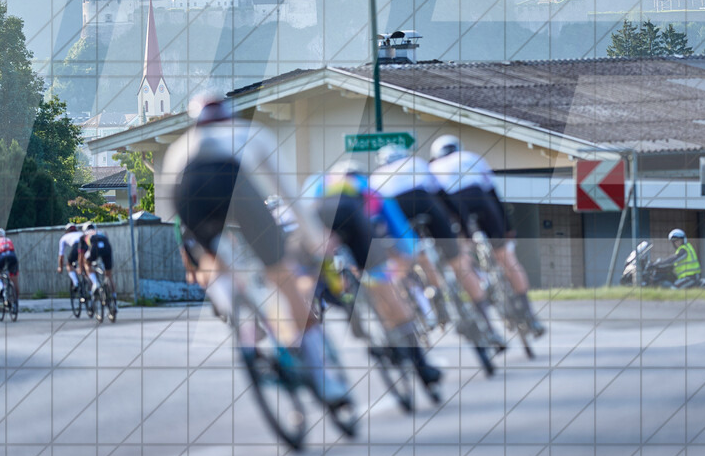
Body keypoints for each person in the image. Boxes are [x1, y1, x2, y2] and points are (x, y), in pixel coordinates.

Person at [164, 94, 350, 406]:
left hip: (187, 196)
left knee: (219, 269)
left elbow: (175, 209)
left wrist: (203, 260)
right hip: (229, 182)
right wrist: (315, 239)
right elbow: (288, 195)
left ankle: (235, 309)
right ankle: (324, 380)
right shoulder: (249, 131)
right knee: (284, 277)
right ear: (230, 115)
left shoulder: (180, 146)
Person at [305, 161, 442, 388]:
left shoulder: (319, 180)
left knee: (320, 271)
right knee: (382, 283)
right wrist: (403, 257)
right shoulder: (368, 188)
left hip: (316, 216)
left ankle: (345, 306)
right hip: (351, 214)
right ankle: (422, 367)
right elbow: (399, 231)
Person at [371, 144, 504, 348]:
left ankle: (429, 297)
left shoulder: (375, 178)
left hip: (398, 210)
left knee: (404, 262)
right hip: (426, 203)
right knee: (459, 263)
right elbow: (442, 195)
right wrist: (460, 224)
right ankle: (488, 325)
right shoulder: (417, 163)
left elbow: (381, 217)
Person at [429, 134, 544, 334]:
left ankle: (486, 322)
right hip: (482, 199)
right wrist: (508, 228)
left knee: (462, 257)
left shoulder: (432, 169)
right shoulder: (473, 158)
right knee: (506, 256)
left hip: (454, 204)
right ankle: (529, 315)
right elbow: (493, 194)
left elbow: (438, 206)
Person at [78, 222, 116, 299]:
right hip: (107, 248)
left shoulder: (83, 236)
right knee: (109, 275)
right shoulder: (102, 232)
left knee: (86, 263)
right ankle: (114, 299)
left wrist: (80, 268)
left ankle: (95, 283)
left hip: (94, 248)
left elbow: (81, 255)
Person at [56, 223, 84, 289]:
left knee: (69, 264)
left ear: (66, 231)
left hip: (77, 246)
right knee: (86, 264)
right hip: (87, 246)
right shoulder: (81, 233)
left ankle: (76, 283)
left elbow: (61, 255)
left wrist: (60, 267)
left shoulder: (64, 237)